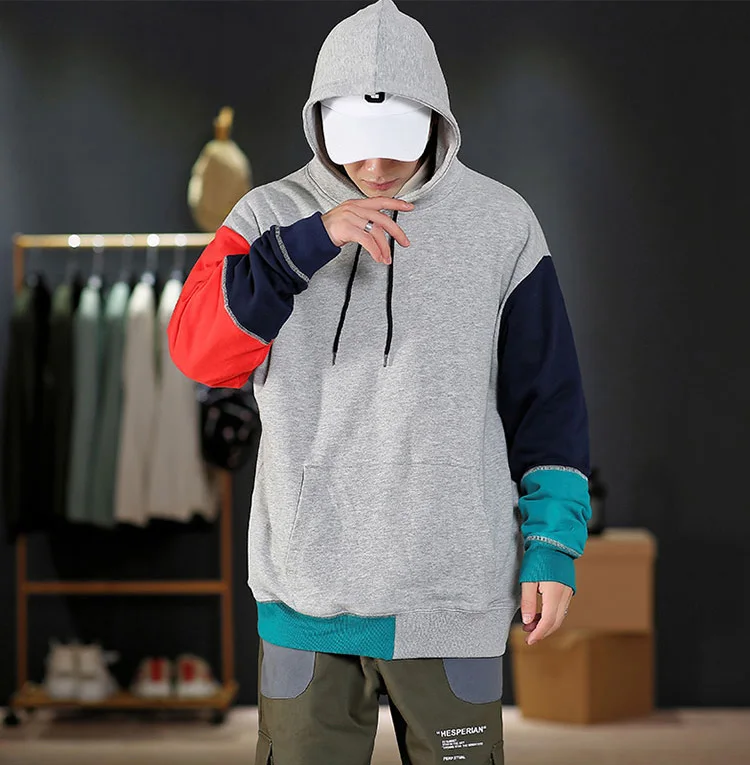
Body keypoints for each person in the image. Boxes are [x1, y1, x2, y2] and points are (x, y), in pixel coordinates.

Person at [168, 0, 591, 762]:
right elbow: (197, 350)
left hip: (450, 593)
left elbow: (548, 401)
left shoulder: (502, 224)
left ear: (434, 118)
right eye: (355, 143)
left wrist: (553, 544)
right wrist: (301, 246)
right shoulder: (269, 216)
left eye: (395, 139)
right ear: (321, 123)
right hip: (307, 595)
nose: (374, 167)